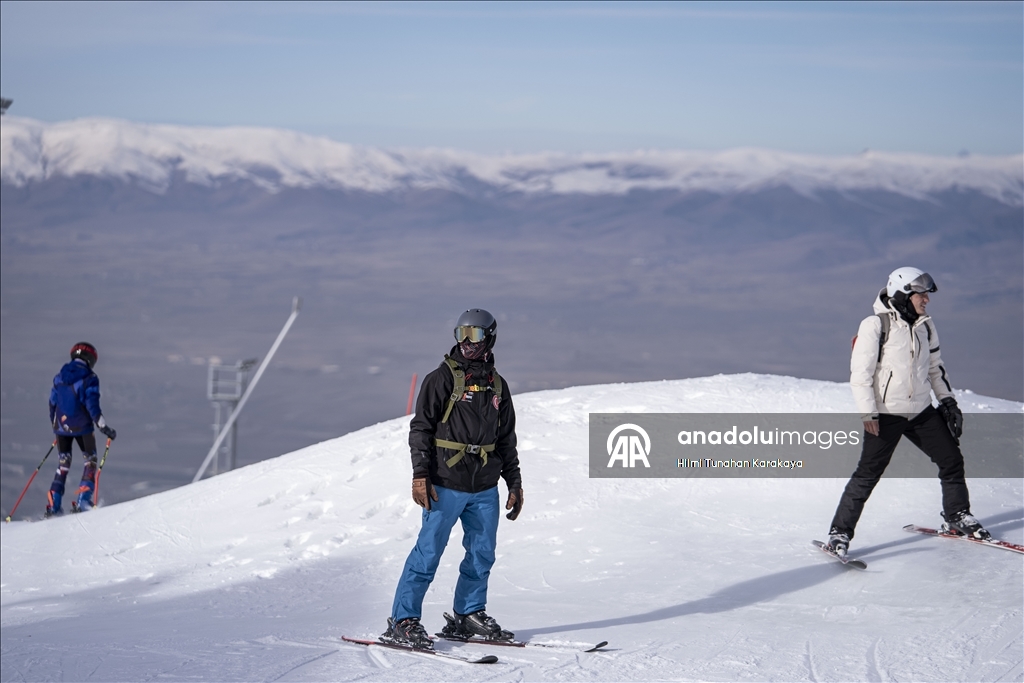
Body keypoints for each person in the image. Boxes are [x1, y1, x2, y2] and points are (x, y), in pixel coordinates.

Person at [383, 309, 524, 649]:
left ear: (490, 338)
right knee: (428, 553)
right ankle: (403, 620)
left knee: (481, 554)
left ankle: (468, 614)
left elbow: (506, 440)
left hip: (484, 487)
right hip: (444, 483)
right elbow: (421, 429)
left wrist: (514, 483)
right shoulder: (441, 378)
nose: (466, 342)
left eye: (474, 334)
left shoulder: (498, 385)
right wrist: (420, 475)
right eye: (462, 333)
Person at [827, 267, 988, 556]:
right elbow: (860, 375)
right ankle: (839, 533)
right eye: (921, 295)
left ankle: (957, 515)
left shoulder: (926, 326)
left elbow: (935, 368)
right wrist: (868, 413)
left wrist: (948, 402)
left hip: (921, 411)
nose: (927, 300)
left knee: (951, 459)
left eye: (926, 294)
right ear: (902, 295)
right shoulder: (875, 325)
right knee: (868, 473)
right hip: (886, 414)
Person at [45, 342, 116, 516]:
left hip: (61, 426)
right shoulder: (90, 378)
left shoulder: (59, 377)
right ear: (90, 359)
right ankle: (83, 500)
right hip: (82, 426)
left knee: (63, 462)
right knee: (90, 460)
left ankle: (54, 504)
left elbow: (52, 402)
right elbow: (92, 405)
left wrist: (57, 425)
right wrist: (103, 426)